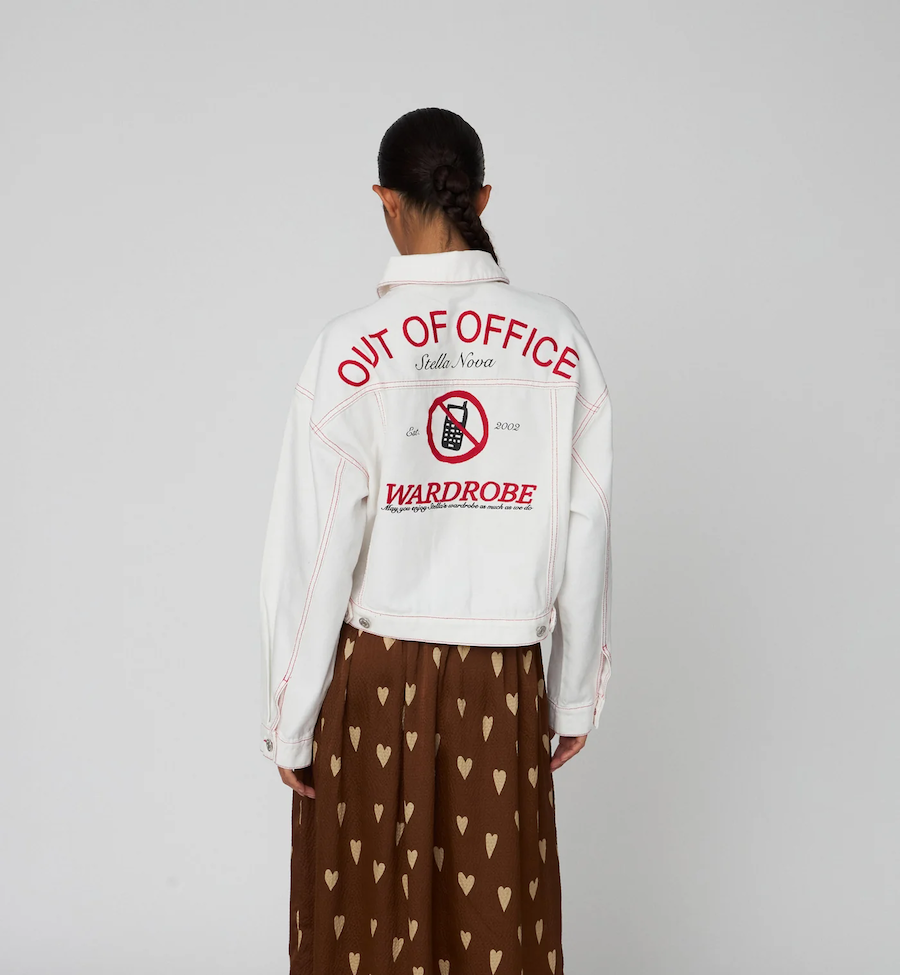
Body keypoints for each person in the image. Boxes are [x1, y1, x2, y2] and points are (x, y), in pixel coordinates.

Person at [258, 107, 613, 975]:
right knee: (497, 927)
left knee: (364, 925)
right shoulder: (558, 339)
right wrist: (572, 694)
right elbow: (587, 523)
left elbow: (314, 549)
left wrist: (290, 719)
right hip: (503, 678)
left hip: (375, 678)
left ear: (384, 199)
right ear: (481, 197)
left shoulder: (348, 350)